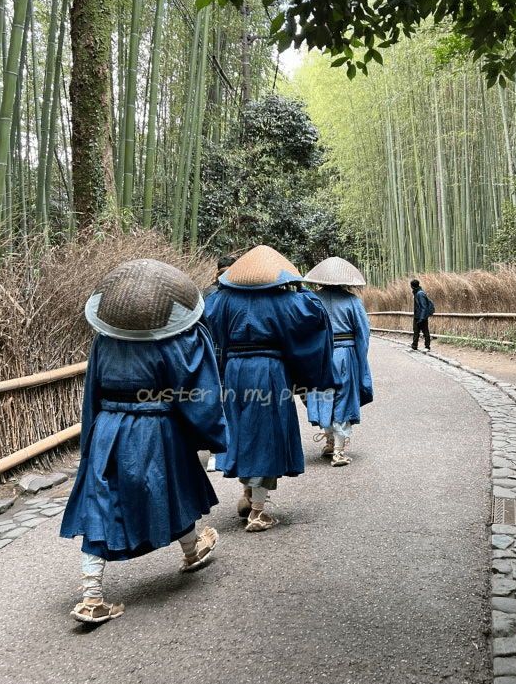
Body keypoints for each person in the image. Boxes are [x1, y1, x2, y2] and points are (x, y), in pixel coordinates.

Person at [60, 258, 228, 624]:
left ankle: (92, 595)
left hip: (108, 428)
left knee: (102, 502)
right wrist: (212, 433)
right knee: (172, 488)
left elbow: (92, 392)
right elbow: (196, 391)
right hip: (156, 428)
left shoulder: (103, 342)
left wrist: (91, 439)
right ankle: (191, 550)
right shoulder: (177, 342)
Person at [204, 244, 337, 531]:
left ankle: (248, 493)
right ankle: (257, 511)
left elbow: (207, 312)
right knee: (266, 434)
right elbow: (314, 311)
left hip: (234, 371)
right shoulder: (283, 299)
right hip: (268, 370)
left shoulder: (223, 299)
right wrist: (298, 285)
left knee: (243, 430)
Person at [303, 256, 373, 467]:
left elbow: (304, 330)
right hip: (345, 354)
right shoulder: (353, 301)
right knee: (343, 397)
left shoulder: (312, 300)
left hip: (320, 354)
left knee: (323, 395)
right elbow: (363, 333)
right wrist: (361, 359)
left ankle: (330, 441)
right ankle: (338, 452)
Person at [202, 254, 236, 471]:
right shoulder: (234, 294)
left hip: (212, 350)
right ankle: (224, 450)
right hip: (230, 351)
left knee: (216, 399)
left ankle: (217, 451)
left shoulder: (207, 293)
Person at [410, 278, 434, 351]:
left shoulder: (420, 293)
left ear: (412, 286)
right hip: (417, 316)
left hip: (421, 316)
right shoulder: (416, 293)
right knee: (416, 331)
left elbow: (424, 306)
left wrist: (422, 318)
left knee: (425, 332)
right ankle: (414, 346)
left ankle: (427, 347)